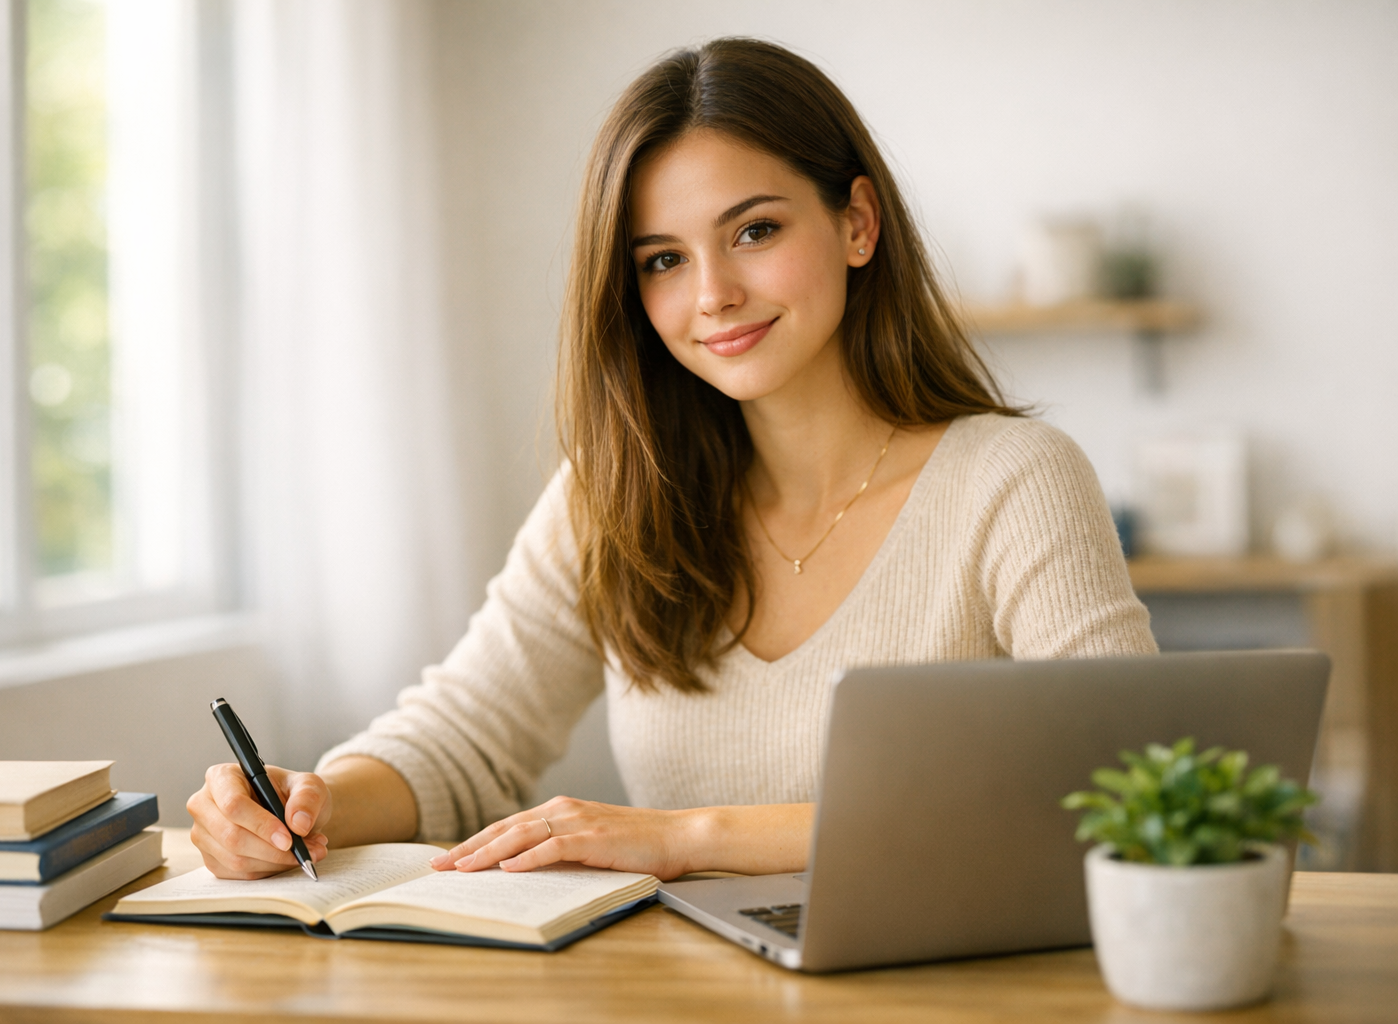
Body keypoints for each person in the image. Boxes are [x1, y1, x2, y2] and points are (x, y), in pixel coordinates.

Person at [187, 38, 1156, 882]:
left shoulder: (1015, 481)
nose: (713, 295)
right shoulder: (615, 496)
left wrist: (688, 837)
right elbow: (466, 735)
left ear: (858, 223)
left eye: (755, 231)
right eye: (662, 259)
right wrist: (308, 803)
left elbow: (1135, 789)